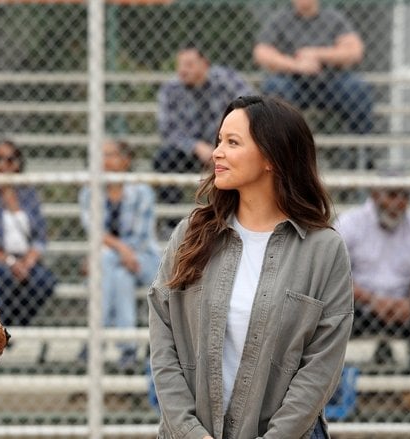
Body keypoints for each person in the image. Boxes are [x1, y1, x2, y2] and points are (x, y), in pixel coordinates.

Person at [148, 95, 353, 438]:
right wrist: (189, 432)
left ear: (271, 157)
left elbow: (321, 369)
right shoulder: (190, 234)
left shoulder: (324, 250)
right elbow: (163, 342)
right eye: (218, 141)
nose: (216, 152)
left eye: (232, 142)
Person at [334, 183, 410, 414]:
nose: (398, 203)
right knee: (326, 308)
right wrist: (372, 300)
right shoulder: (350, 223)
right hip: (358, 307)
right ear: (375, 194)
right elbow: (334, 275)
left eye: (405, 195)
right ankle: (329, 387)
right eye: (392, 195)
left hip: (404, 309)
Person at [253, 0, 374, 168]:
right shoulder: (281, 20)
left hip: (331, 81)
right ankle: (279, 148)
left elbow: (355, 50)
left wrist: (318, 54)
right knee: (274, 87)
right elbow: (261, 53)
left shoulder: (333, 18)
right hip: (292, 81)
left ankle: (361, 150)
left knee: (356, 87)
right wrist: (297, 66)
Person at [80, 139, 161, 369]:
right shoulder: (89, 192)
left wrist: (115, 251)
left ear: (126, 160)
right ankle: (128, 350)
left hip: (142, 258)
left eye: (112, 155)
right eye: (102, 155)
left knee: (105, 260)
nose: (106, 160)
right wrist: (119, 250)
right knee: (119, 277)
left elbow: (140, 237)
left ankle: (94, 342)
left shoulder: (142, 192)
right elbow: (93, 229)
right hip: (113, 262)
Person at [154, 45, 254, 207]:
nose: (182, 70)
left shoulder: (226, 80)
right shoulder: (170, 89)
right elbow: (167, 130)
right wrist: (196, 146)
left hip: (226, 145)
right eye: (179, 65)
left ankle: (236, 210)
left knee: (244, 153)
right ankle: (171, 222)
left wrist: (223, 145)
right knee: (164, 158)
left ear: (204, 64)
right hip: (189, 152)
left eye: (189, 65)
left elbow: (251, 107)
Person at [0, 139, 56, 326]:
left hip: (26, 258)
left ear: (19, 164)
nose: (4, 165)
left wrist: (29, 261)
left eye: (10, 160)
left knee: (45, 281)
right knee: (3, 276)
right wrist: (11, 262)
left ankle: (12, 327)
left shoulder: (28, 194)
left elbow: (40, 237)